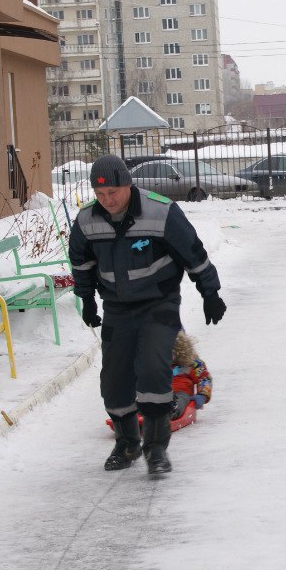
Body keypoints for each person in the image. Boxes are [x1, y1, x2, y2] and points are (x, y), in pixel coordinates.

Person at [69, 154, 227, 473]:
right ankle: (127, 444)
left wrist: (210, 292)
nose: (107, 200)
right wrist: (87, 300)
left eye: (113, 192)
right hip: (117, 307)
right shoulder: (87, 219)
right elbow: (81, 263)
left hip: (159, 303)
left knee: (154, 370)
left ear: (128, 185)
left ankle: (155, 449)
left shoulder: (161, 211)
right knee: (114, 380)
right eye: (100, 194)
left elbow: (192, 253)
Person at [170, 330, 212, 419]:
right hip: (159, 392)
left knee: (181, 398)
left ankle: (173, 410)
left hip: (181, 393)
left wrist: (202, 395)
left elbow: (204, 378)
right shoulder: (155, 363)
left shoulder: (192, 363)